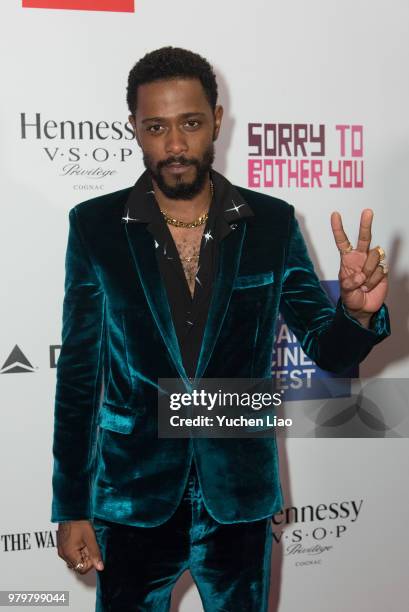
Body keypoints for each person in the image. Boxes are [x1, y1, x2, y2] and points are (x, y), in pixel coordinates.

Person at [51, 46, 390, 611]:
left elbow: (329, 351)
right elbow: (79, 379)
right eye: (156, 127)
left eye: (190, 123)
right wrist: (71, 506)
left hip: (238, 495)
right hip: (133, 496)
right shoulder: (95, 227)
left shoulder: (273, 223)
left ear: (216, 120)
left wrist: (355, 312)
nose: (176, 145)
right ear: (133, 128)